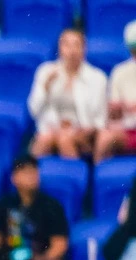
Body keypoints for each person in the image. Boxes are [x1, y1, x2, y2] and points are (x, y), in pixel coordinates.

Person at [0, 156, 70, 260]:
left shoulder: (51, 206)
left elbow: (60, 244)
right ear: (14, 178)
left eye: (34, 171)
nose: (31, 176)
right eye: (26, 172)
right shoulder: (3, 205)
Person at [28, 29, 106, 161]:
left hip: (84, 133)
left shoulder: (97, 77)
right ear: (60, 48)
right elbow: (33, 111)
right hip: (51, 130)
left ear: (84, 49)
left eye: (76, 45)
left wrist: (79, 130)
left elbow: (100, 119)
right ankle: (30, 179)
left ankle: (78, 179)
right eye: (67, 45)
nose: (72, 51)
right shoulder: (46, 71)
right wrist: (45, 88)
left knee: (65, 139)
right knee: (45, 139)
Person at [96, 22, 136, 164]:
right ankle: (93, 182)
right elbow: (114, 110)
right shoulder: (119, 72)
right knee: (104, 138)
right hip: (127, 129)